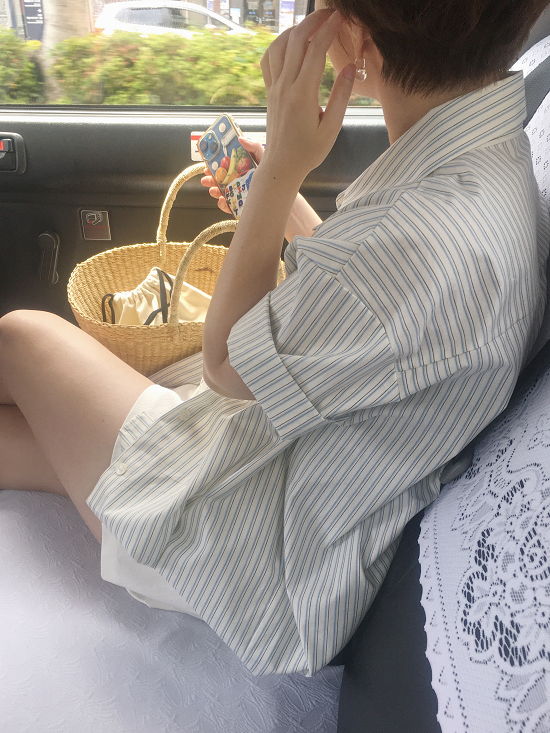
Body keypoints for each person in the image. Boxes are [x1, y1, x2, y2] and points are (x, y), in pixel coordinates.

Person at [0, 0, 549, 677]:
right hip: (290, 480)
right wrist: (273, 191)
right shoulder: (479, 168)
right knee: (26, 437)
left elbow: (228, 362)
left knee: (22, 336)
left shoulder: (420, 237)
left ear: (357, 37)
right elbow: (368, 309)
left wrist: (284, 168)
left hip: (250, 551)